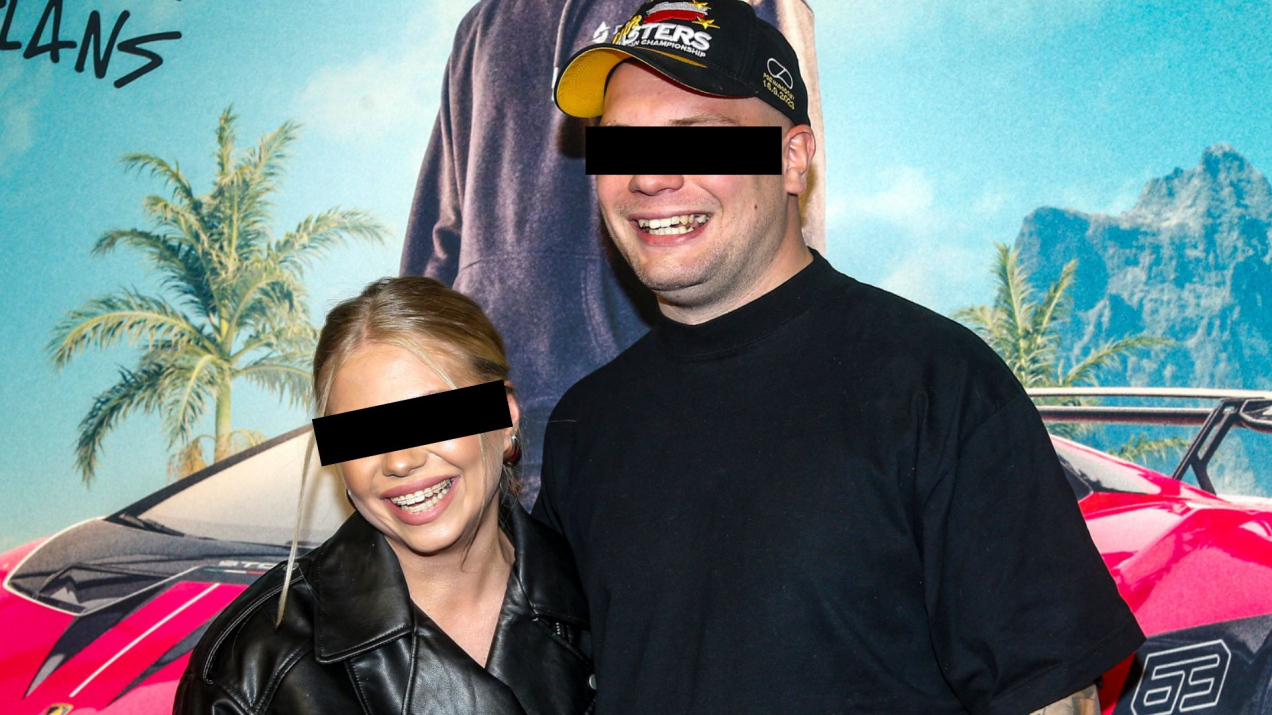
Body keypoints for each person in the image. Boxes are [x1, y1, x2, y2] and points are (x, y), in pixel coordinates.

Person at [532, 2, 1144, 714]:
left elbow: (1050, 693)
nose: (649, 177)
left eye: (696, 137)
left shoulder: (937, 384)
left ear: (792, 158)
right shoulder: (585, 425)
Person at [401, 0, 824, 507]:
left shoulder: (706, 14)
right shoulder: (479, 26)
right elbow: (441, 233)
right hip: (487, 430)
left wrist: (805, 376)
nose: (650, 178)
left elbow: (775, 205)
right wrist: (406, 430)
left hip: (642, 428)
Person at [175, 277, 594, 714]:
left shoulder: (603, 593)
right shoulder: (251, 669)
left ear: (504, 418)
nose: (400, 461)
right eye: (364, 433)